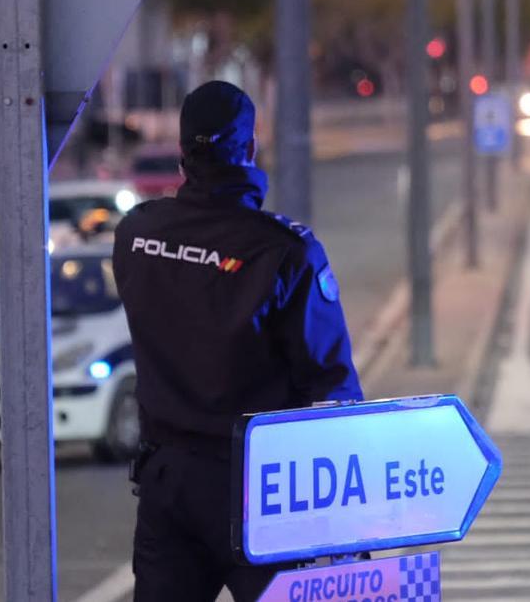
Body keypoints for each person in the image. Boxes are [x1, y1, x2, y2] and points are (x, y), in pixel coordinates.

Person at [113, 81, 364, 601]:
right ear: (250, 148)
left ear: (182, 151)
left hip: (167, 484)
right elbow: (332, 392)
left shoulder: (136, 235)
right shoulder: (285, 252)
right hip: (263, 493)